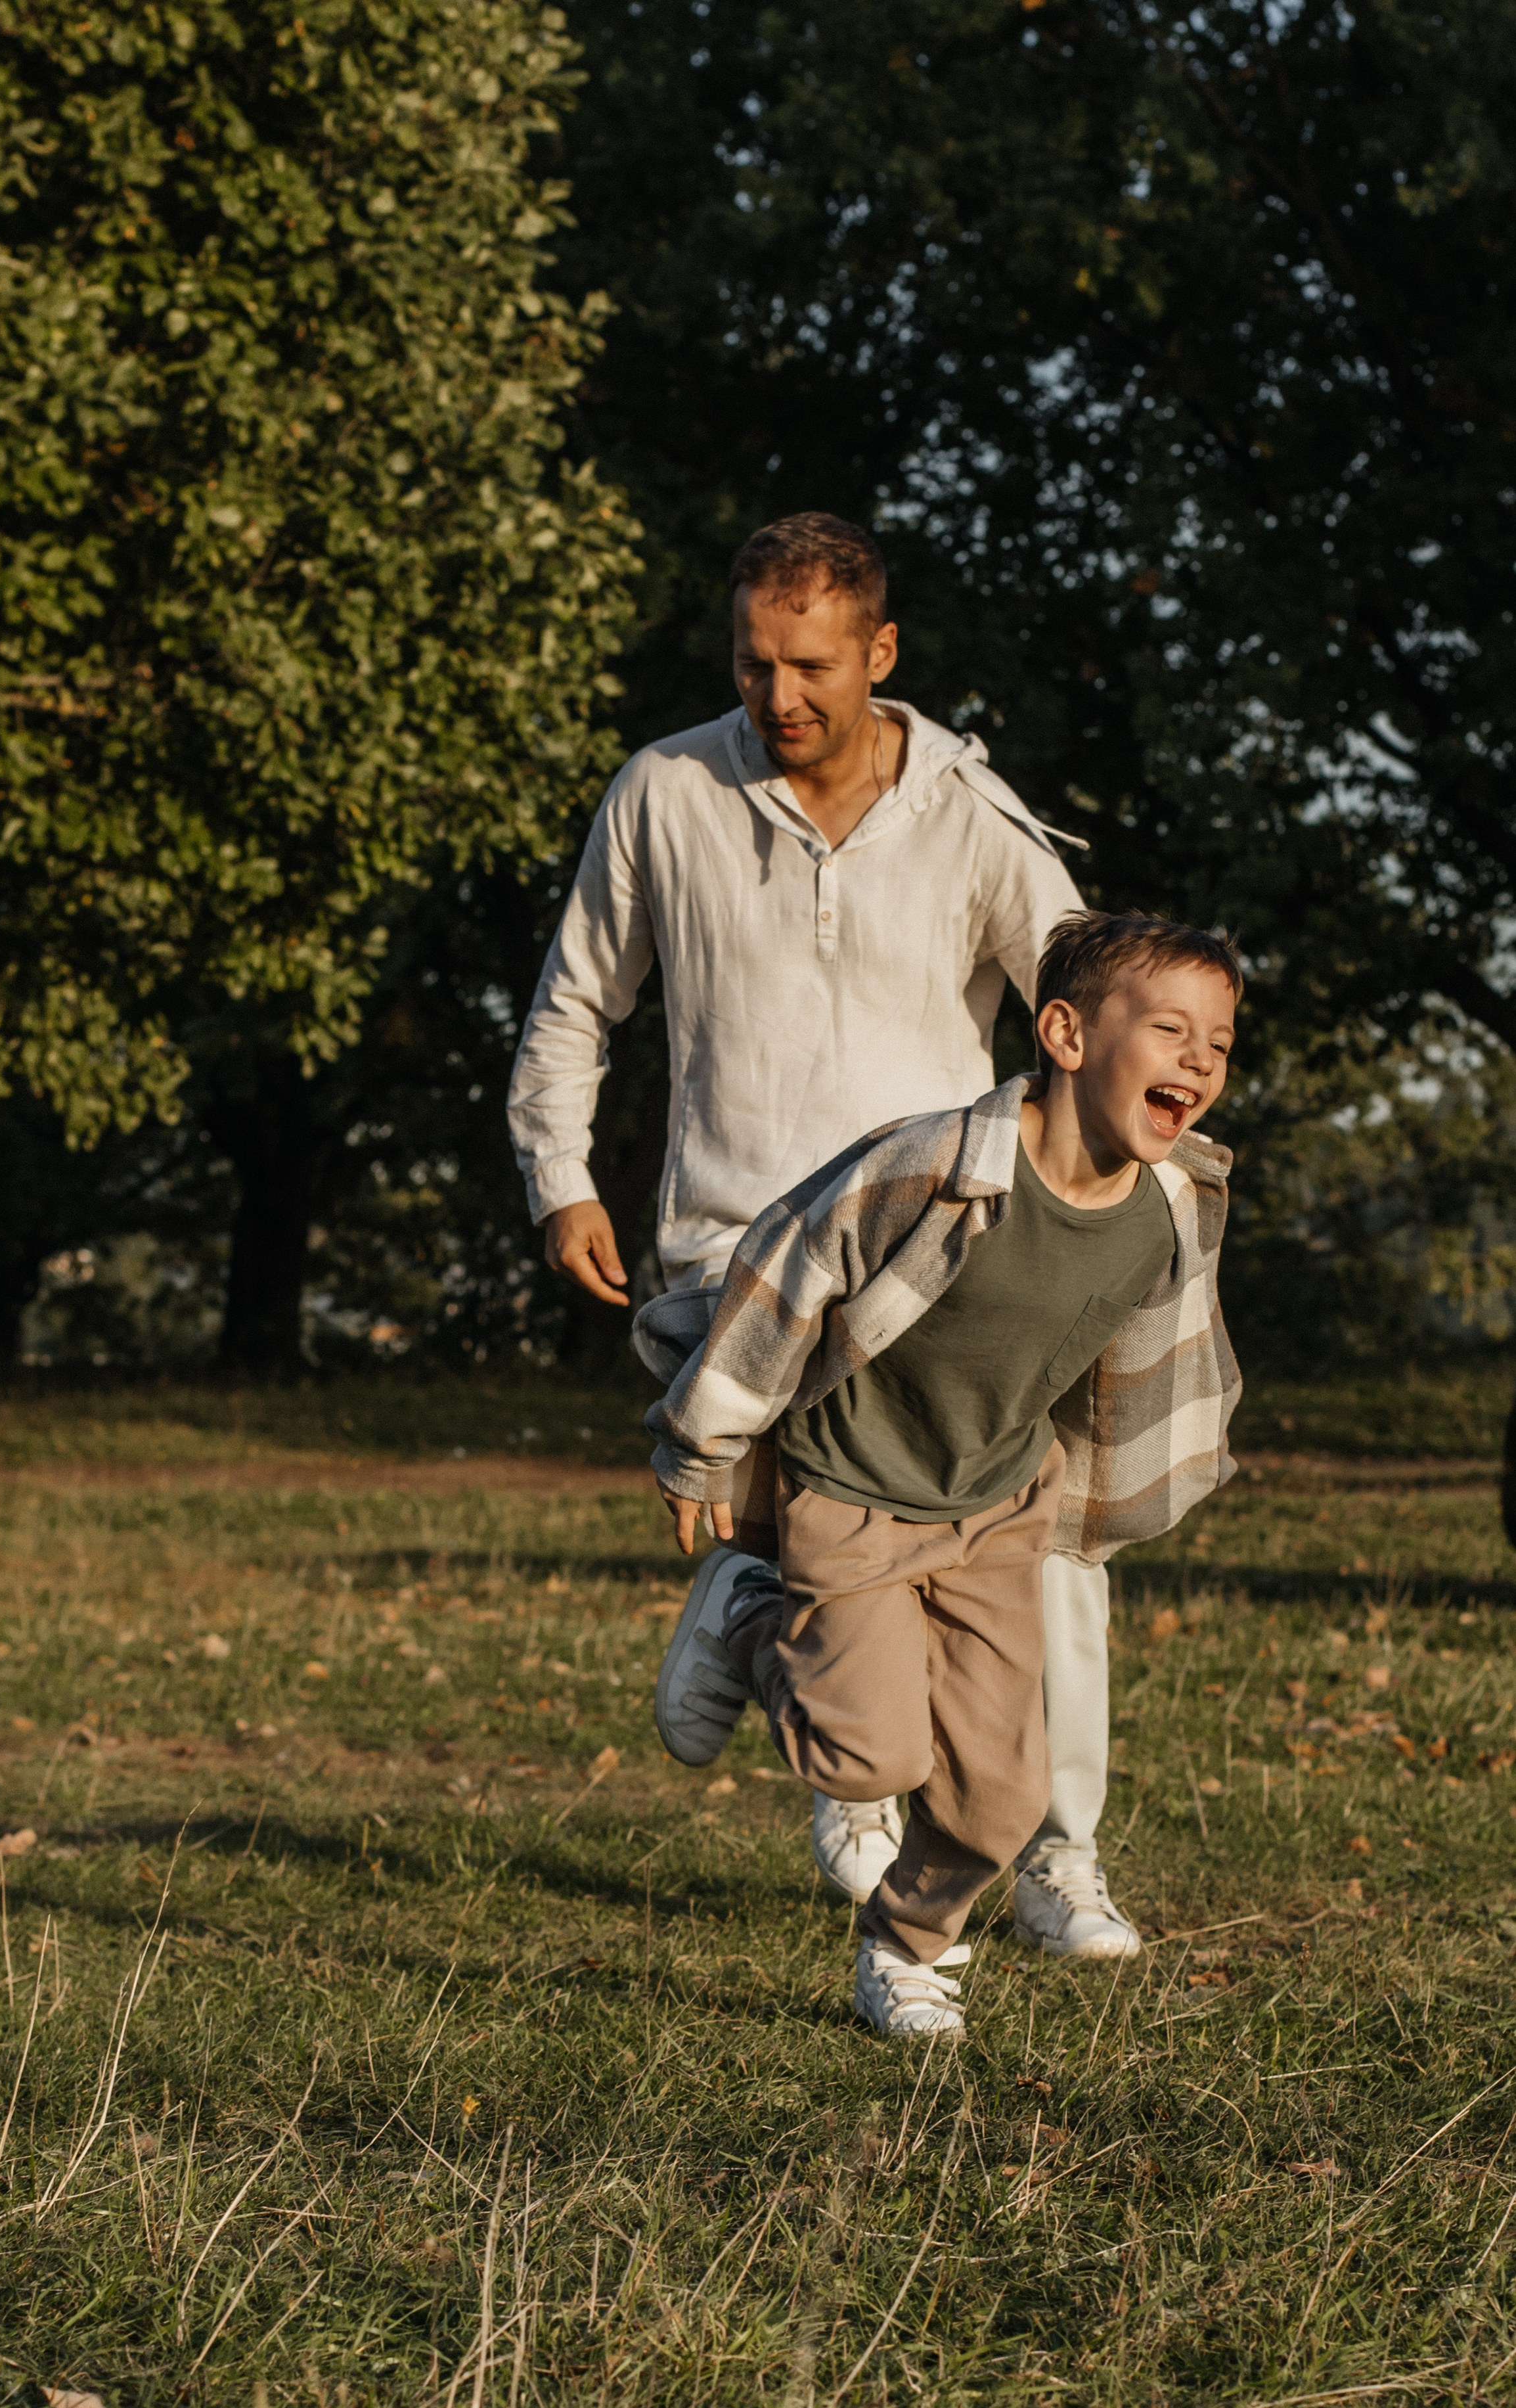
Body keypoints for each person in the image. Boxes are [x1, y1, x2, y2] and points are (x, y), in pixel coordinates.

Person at [507, 512, 1138, 1957]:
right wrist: (561, 1176)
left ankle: (1059, 1855)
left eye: (808, 668)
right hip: (735, 1246)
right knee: (848, 1549)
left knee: (1049, 1551)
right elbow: (573, 1004)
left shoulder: (974, 818)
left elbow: (1082, 1002)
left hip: (941, 1245)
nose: (777, 699)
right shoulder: (662, 792)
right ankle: (850, 1762)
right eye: (751, 666)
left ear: (880, 655)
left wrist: (1122, 1152)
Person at [644, 911, 1242, 2035]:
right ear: (1065, 1033)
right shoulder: (936, 1164)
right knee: (868, 1749)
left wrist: (1105, 1497)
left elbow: (1131, 1365)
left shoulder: (1169, 1207)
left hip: (993, 1508)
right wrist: (704, 1444)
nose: (1203, 1061)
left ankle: (905, 1948)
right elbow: (785, 1268)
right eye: (1172, 1029)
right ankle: (753, 1613)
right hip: (854, 1487)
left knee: (1004, 1793)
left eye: (1220, 1041)